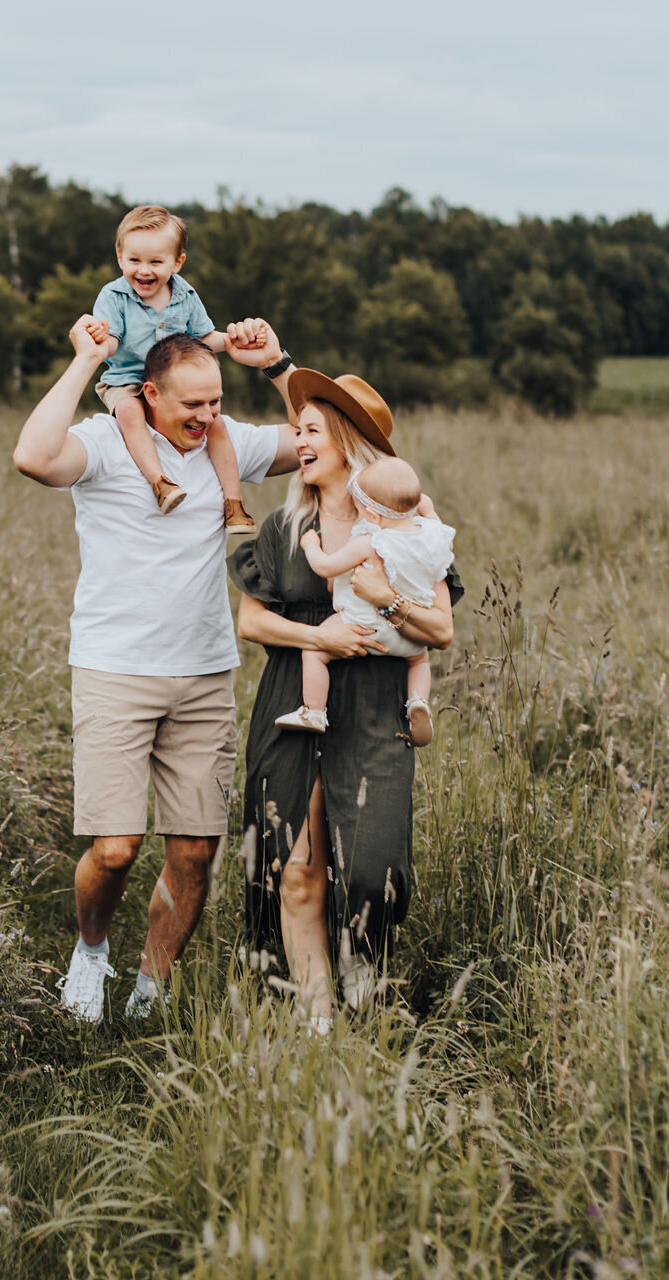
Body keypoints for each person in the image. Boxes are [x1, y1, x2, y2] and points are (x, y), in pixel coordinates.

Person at [12, 318, 300, 1024]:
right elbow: (31, 456)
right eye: (191, 406)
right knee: (114, 848)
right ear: (149, 393)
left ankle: (151, 986)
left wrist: (279, 367)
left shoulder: (227, 442)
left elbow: (331, 441)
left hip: (203, 675)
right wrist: (85, 362)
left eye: (216, 402)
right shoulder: (110, 442)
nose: (207, 417)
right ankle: (90, 953)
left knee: (196, 850)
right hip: (114, 669)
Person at [227, 367, 460, 1029]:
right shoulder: (282, 526)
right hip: (294, 696)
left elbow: (441, 630)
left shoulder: (409, 521)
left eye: (311, 431)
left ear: (349, 441)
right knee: (295, 869)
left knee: (371, 872)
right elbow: (251, 623)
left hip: (377, 705)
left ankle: (365, 984)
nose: (297, 442)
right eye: (296, 431)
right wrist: (316, 632)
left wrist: (388, 598)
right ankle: (319, 1020)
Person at [85, 204, 262, 533]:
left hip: (174, 386)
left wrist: (234, 340)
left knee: (217, 424)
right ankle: (161, 483)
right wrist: (99, 343)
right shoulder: (113, 295)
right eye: (134, 260)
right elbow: (112, 340)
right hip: (128, 381)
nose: (144, 271)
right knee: (128, 412)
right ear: (120, 256)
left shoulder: (186, 295)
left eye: (156, 262)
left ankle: (234, 504)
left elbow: (204, 338)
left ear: (177, 262)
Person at [275, 456, 456, 748]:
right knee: (420, 660)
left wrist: (311, 545)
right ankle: (418, 701)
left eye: (360, 509)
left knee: (313, 653)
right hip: (410, 631)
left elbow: (325, 567)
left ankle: (314, 711)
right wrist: (426, 506)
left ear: (372, 516)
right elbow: (430, 511)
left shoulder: (371, 543)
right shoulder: (436, 536)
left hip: (365, 625)